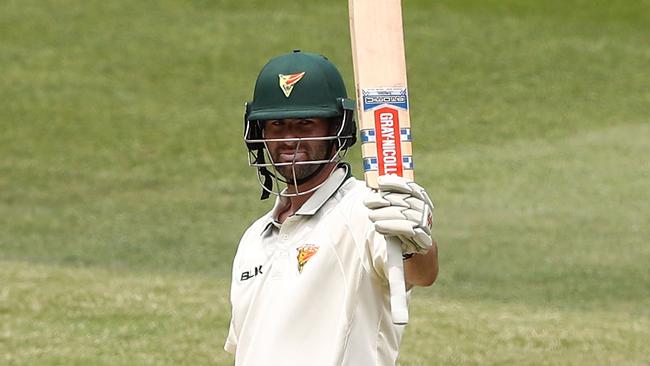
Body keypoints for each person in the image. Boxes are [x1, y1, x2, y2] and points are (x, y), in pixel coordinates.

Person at [225, 50, 438, 366]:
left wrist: (418, 245)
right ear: (259, 133)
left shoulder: (366, 209)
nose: (289, 139)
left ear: (339, 127)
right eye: (277, 124)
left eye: (306, 123)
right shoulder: (254, 238)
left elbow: (420, 273)